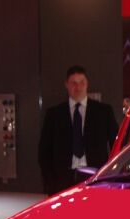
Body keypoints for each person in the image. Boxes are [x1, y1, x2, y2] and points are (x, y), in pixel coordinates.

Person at [38, 65, 118, 196]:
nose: (78, 87)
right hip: (62, 180)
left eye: (82, 83)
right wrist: (49, 181)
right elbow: (44, 151)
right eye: (73, 83)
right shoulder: (54, 114)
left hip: (95, 177)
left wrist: (110, 175)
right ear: (66, 85)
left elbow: (116, 144)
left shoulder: (103, 111)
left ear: (87, 84)